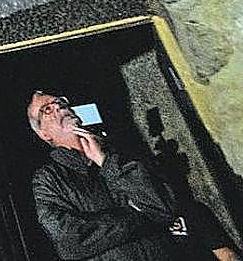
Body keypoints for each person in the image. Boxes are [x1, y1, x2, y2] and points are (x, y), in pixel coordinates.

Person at [26, 90, 236, 261]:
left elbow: (165, 204)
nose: (59, 107)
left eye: (61, 102)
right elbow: (70, 241)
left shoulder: (121, 155)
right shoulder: (48, 180)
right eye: (47, 110)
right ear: (44, 134)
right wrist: (144, 214)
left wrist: (106, 162)